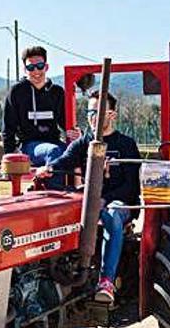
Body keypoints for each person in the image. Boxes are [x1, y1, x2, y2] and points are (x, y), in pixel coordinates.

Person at [36, 91, 140, 303]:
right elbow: (64, 161)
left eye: (98, 112)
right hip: (90, 201)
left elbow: (131, 187)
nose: (93, 117)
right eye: (90, 112)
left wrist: (105, 198)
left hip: (118, 203)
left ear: (112, 115)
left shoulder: (126, 144)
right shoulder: (83, 143)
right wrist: (47, 169)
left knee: (111, 215)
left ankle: (106, 281)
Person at [2, 45, 79, 167]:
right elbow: (8, 127)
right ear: (25, 69)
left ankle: (80, 186)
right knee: (53, 151)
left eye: (40, 66)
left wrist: (75, 133)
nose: (36, 71)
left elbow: (65, 123)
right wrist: (10, 154)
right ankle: (55, 186)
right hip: (29, 146)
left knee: (79, 153)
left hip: (54, 141)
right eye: (31, 67)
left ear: (46, 67)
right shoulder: (17, 92)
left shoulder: (57, 92)